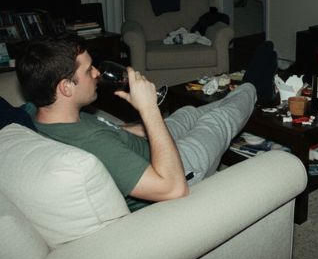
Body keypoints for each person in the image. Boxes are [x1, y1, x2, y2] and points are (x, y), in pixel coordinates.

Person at [16, 33, 277, 212]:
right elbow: (173, 189)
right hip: (176, 169)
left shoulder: (39, 115)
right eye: (88, 70)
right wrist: (149, 109)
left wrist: (132, 128)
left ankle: (244, 94)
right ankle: (253, 86)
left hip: (146, 147)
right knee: (218, 120)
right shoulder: (95, 145)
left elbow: (106, 134)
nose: (96, 73)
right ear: (65, 87)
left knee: (188, 112)